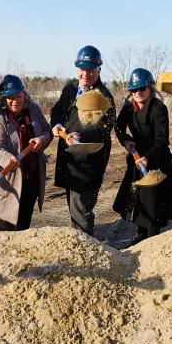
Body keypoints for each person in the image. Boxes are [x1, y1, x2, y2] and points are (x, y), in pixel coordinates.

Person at [50, 45, 116, 236]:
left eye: (90, 70)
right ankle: (82, 242)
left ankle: (87, 250)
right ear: (77, 68)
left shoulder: (103, 97)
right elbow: (57, 110)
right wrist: (57, 124)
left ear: (99, 70)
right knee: (73, 206)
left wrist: (81, 136)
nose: (85, 74)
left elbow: (101, 129)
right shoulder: (70, 87)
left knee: (81, 210)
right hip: (69, 159)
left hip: (89, 161)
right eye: (82, 69)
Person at [112, 68, 172, 245]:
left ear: (150, 87)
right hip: (137, 158)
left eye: (142, 89)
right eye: (134, 90)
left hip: (156, 159)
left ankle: (154, 240)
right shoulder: (128, 107)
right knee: (139, 200)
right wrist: (126, 141)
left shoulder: (158, 108)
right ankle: (140, 236)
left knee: (153, 202)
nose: (138, 93)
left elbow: (163, 140)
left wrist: (148, 159)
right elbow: (118, 129)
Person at [0, 75, 52, 231]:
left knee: (24, 222)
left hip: (31, 176)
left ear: (24, 95)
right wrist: (8, 159)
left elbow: (47, 131)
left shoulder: (34, 110)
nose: (15, 100)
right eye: (10, 97)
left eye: (18, 96)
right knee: (6, 223)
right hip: (10, 180)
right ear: (4, 99)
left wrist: (41, 140)